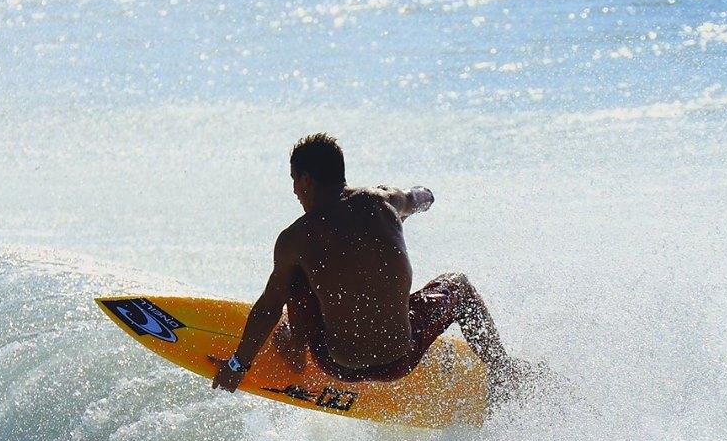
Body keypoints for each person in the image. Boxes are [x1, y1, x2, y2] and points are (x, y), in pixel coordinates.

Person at [211, 133, 520, 399]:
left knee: (292, 276)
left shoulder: (296, 237)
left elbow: (269, 307)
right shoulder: (385, 203)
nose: (294, 191)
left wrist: (238, 366)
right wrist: (426, 196)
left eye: (294, 181)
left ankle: (295, 350)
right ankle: (503, 372)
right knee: (459, 286)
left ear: (306, 179)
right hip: (401, 358)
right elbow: (419, 197)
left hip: (338, 363)